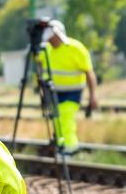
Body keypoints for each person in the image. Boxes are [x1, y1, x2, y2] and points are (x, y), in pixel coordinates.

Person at [39, 20, 99, 155]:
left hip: (73, 92)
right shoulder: (46, 49)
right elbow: (41, 71)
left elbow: (89, 73)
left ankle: (70, 149)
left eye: (52, 38)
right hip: (53, 92)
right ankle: (61, 149)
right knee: (56, 120)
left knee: (65, 117)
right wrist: (42, 92)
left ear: (59, 35)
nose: (50, 42)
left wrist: (93, 95)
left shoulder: (76, 48)